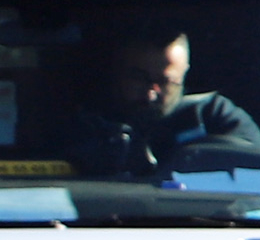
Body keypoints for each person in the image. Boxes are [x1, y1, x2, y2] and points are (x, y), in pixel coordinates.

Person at [71, 30, 260, 175]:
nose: (150, 94)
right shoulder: (86, 120)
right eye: (138, 78)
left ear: (184, 74)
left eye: (165, 82)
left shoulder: (214, 116)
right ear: (118, 72)